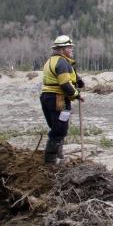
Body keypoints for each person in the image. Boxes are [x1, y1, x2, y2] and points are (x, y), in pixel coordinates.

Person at [40, 35, 84, 164]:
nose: (71, 50)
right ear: (61, 49)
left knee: (56, 127)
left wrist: (78, 80)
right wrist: (77, 95)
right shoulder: (62, 62)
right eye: (69, 47)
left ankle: (58, 156)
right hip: (58, 99)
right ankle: (51, 159)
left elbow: (68, 74)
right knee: (60, 128)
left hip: (47, 97)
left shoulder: (52, 61)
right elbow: (65, 84)